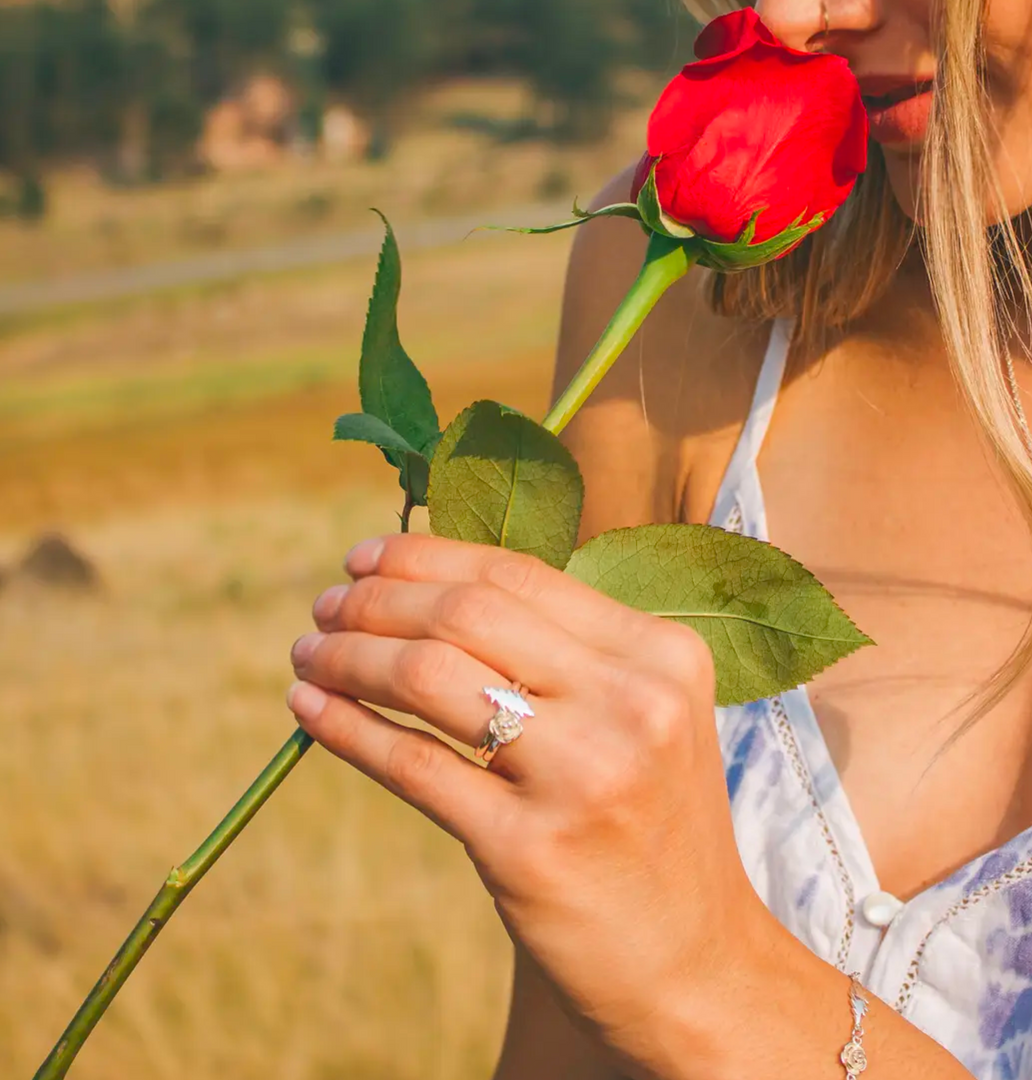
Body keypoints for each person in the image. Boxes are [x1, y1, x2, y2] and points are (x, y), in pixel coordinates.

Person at [287, 0, 1032, 1076]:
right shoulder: (702, 291)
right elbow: (562, 1042)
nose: (796, 13)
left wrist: (711, 976)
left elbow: (666, 972)